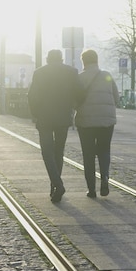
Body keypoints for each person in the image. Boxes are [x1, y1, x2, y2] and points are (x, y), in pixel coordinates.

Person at [28, 49, 81, 203]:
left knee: (46, 152)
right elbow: (80, 93)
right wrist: (73, 107)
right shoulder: (71, 72)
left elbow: (32, 95)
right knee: (59, 151)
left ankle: (57, 184)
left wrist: (35, 114)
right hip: (63, 117)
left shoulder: (39, 73)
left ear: (47, 59)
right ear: (61, 58)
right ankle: (55, 186)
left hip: (45, 117)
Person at [75, 49, 119, 198]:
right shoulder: (107, 76)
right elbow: (117, 98)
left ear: (83, 62)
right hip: (106, 121)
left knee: (88, 155)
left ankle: (91, 189)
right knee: (104, 150)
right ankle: (105, 178)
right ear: (97, 60)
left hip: (85, 122)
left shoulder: (79, 78)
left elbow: (74, 101)